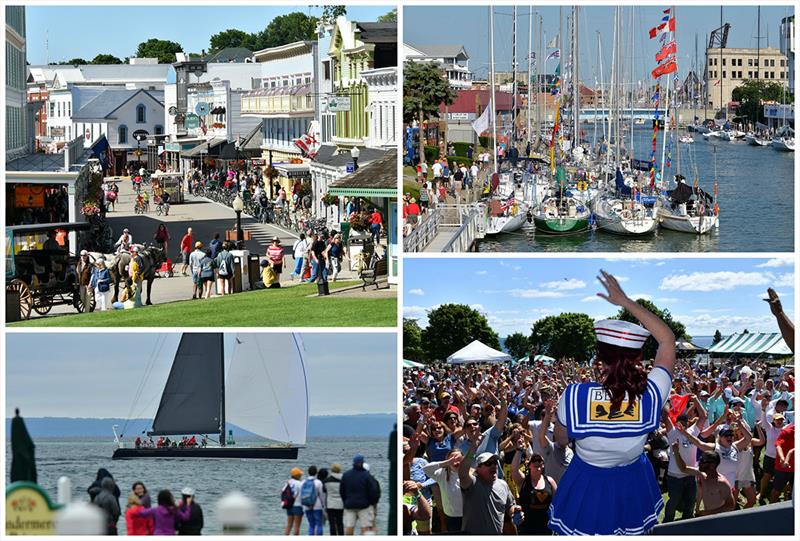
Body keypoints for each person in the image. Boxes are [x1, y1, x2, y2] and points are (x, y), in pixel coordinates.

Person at [548, 270, 675, 535]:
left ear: (600, 359)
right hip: (634, 481)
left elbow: (560, 440)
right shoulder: (652, 394)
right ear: (638, 358)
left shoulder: (575, 395)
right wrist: (626, 302)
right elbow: (666, 340)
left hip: (588, 483)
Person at [458, 447, 522, 535]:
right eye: (488, 463)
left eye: (495, 463)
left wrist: (514, 512)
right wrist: (473, 447)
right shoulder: (473, 483)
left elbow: (510, 505)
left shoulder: (503, 484)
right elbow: (462, 473)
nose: (493, 466)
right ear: (478, 469)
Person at [672, 447, 736, 517]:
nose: (699, 462)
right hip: (708, 518)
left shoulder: (722, 483)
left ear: (712, 465)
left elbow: (730, 505)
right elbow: (684, 469)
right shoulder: (702, 475)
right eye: (700, 459)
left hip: (719, 519)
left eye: (703, 461)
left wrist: (707, 513)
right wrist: (676, 452)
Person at [511, 451, 557, 535]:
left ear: (543, 465)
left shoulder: (550, 481)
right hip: (527, 529)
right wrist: (518, 450)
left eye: (540, 461)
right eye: (534, 461)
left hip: (546, 528)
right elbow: (514, 469)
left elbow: (557, 502)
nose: (537, 463)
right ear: (529, 465)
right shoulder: (523, 481)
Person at [422, 449, 464, 533]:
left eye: (458, 459)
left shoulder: (468, 472)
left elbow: (471, 457)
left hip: (469, 515)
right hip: (452, 516)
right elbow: (426, 469)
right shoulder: (442, 474)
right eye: (452, 459)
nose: (455, 462)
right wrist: (446, 463)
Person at [341, 454, 378, 535]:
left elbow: (342, 491)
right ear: (362, 462)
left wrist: (345, 502)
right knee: (364, 527)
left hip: (349, 504)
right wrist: (371, 503)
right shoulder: (367, 476)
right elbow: (373, 491)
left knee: (349, 526)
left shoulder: (346, 475)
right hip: (364, 505)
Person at [770, 421, 794, 503]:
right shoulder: (787, 431)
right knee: (777, 491)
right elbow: (778, 445)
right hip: (783, 468)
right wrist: (782, 458)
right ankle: (770, 507)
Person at [301, 466, 325, 536]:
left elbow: (301, 495)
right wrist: (323, 505)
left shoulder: (303, 482)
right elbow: (321, 496)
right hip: (317, 506)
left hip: (307, 505)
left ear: (308, 472)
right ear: (316, 473)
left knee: (311, 525)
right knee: (319, 524)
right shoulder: (318, 482)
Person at [323, 464, 344, 535]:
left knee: (332, 524)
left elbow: (324, 491)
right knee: (340, 523)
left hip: (330, 504)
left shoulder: (326, 481)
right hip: (340, 504)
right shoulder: (343, 480)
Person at [284, 467, 304, 535]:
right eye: (300, 474)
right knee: (297, 527)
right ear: (297, 475)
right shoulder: (299, 483)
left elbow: (282, 492)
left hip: (289, 506)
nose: (301, 476)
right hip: (297, 506)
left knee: (289, 526)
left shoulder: (288, 482)